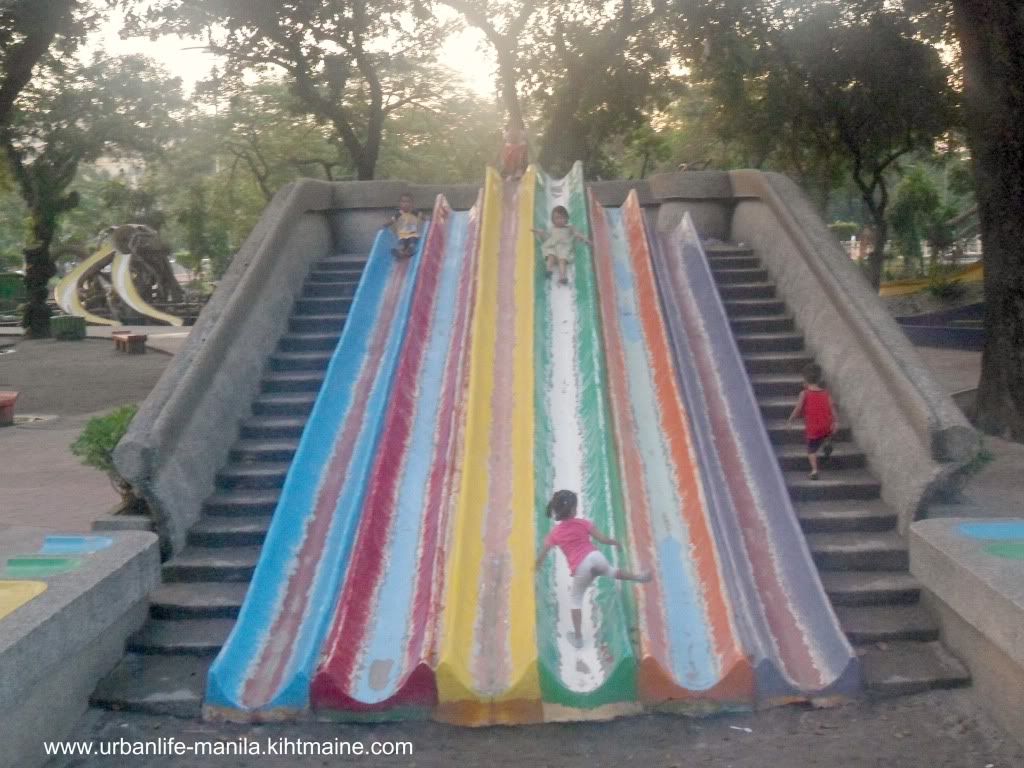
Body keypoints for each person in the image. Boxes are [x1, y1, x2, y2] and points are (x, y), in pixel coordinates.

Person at [535, 489, 652, 649]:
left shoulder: (555, 533)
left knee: (576, 600)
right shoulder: (583, 523)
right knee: (612, 571)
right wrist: (614, 542)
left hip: (582, 567)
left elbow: (544, 551)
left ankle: (578, 638)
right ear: (573, 510)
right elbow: (602, 538)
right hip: (595, 557)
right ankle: (639, 577)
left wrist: (537, 565)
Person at [787, 363, 838, 480]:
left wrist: (791, 420)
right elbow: (832, 407)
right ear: (819, 379)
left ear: (804, 380)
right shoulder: (826, 393)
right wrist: (836, 421)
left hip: (813, 428)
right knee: (826, 433)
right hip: (826, 425)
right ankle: (827, 442)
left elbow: (798, 408)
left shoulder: (804, 394)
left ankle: (814, 470)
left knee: (811, 450)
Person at [532, 206, 591, 285]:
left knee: (562, 260)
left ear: (566, 219)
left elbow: (577, 234)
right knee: (550, 254)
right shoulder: (552, 228)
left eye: (562, 218)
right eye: (556, 218)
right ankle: (549, 270)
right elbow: (546, 236)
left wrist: (585, 239)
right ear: (553, 220)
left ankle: (563, 277)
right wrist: (540, 232)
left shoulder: (569, 228)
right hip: (553, 246)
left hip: (564, 248)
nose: (559, 220)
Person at [383, 193, 423, 259]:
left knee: (412, 244)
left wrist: (428, 219)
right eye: (403, 202)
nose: (405, 204)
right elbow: (392, 220)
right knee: (401, 245)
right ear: (400, 204)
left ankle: (408, 251)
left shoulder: (414, 212)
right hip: (402, 235)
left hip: (413, 235)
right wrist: (385, 225)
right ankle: (400, 253)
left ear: (412, 204)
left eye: (408, 202)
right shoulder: (399, 214)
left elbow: (422, 217)